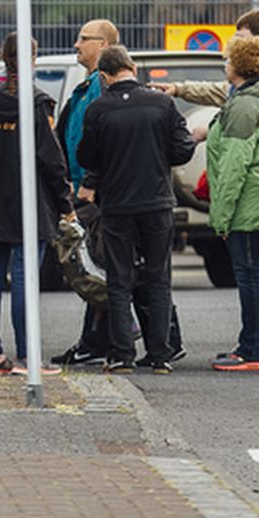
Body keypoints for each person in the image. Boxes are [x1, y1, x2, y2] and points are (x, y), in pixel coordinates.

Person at [76, 45, 196, 374]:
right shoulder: (162, 104)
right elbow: (182, 151)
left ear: (104, 75)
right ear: (131, 67)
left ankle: (121, 355)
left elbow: (87, 157)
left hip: (116, 205)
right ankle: (160, 354)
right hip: (157, 202)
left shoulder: (99, 110)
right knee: (158, 278)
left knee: (119, 279)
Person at [0, 33, 74, 377]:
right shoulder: (35, 102)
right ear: (33, 60)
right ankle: (28, 356)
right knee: (26, 278)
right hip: (28, 201)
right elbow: (51, 161)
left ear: (2, 56)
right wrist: (64, 203)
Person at [204, 36, 259, 372]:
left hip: (248, 206)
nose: (225, 65)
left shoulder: (244, 107)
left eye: (227, 60)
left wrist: (221, 216)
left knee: (251, 275)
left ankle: (252, 350)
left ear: (239, 66)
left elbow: (234, 165)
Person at [50, 18, 120, 368]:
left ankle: (102, 340)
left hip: (95, 194)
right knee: (91, 266)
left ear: (103, 45)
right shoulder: (87, 85)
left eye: (83, 39)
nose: (76, 45)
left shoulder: (101, 88)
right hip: (80, 190)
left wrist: (90, 182)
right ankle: (93, 340)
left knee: (96, 267)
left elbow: (100, 140)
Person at [160, 8, 259, 112]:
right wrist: (179, 89)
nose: (235, 43)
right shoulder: (253, 77)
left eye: (241, 38)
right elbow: (219, 91)